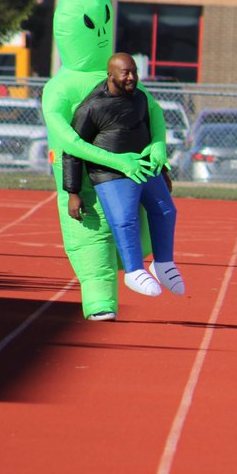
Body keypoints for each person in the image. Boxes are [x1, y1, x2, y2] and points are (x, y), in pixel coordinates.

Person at [63, 53, 185, 298]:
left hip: (143, 167)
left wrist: (162, 172)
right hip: (112, 174)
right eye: (125, 73)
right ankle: (133, 271)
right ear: (110, 75)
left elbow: (148, 133)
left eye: (134, 72)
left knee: (166, 210)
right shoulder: (93, 107)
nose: (131, 77)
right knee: (125, 219)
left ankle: (163, 263)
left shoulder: (139, 97)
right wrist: (73, 192)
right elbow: (72, 150)